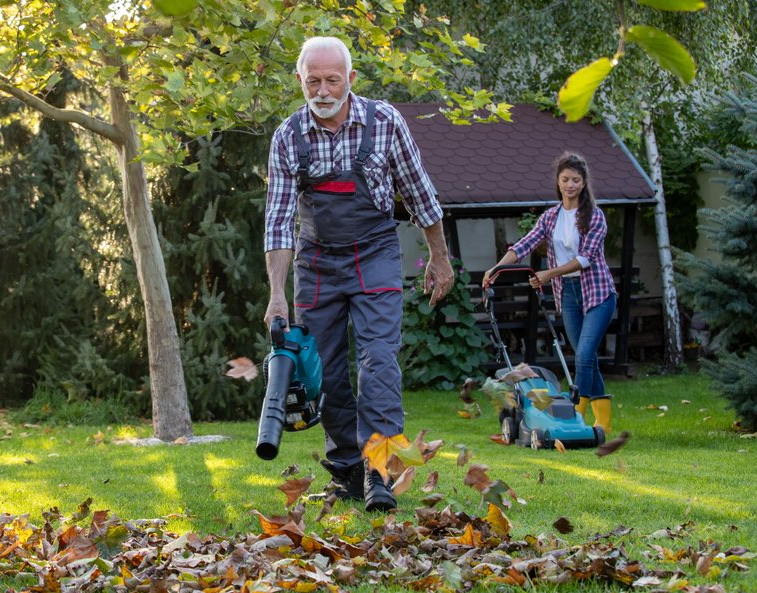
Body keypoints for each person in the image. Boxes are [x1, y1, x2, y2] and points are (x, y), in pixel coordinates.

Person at [263, 36, 453, 512]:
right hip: (317, 261)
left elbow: (419, 194)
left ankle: (379, 471)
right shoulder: (289, 136)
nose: (323, 90)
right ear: (300, 81)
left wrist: (440, 257)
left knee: (379, 361)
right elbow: (279, 221)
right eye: (313, 81)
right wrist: (277, 295)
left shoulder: (385, 122)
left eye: (332, 80)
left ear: (350, 79)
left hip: (375, 253)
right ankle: (347, 470)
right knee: (322, 372)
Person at [482, 152, 617, 432]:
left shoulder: (594, 216)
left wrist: (548, 273)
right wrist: (495, 269)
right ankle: (602, 420)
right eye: (565, 179)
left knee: (583, 356)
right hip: (567, 294)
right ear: (558, 181)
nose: (570, 185)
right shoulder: (550, 217)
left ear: (583, 183)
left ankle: (574, 415)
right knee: (586, 356)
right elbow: (523, 246)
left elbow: (585, 259)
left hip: (598, 294)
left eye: (576, 180)